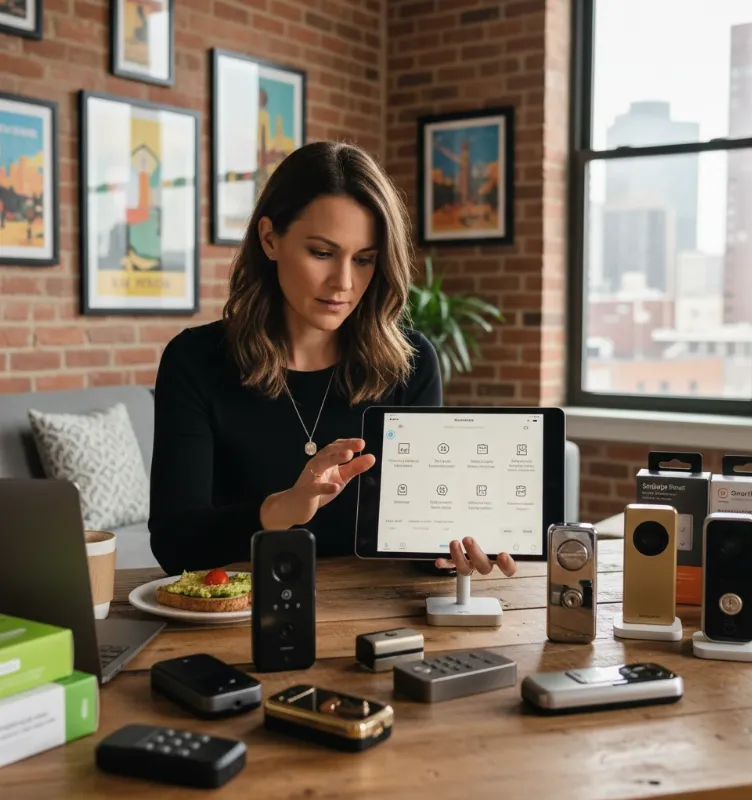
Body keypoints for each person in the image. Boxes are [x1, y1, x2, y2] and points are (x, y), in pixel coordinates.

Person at [148, 141, 517, 581]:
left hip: (379, 620)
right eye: (322, 253)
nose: (343, 282)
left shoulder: (411, 365)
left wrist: (450, 549)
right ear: (269, 239)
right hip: (244, 621)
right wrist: (281, 509)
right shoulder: (195, 361)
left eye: (363, 260)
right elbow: (176, 546)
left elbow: (414, 547)